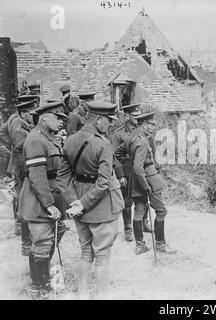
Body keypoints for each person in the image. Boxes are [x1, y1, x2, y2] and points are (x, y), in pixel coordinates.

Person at [57, 101, 124, 300]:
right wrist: (84, 203)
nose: (111, 125)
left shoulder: (70, 140)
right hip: (102, 206)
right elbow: (104, 182)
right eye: (109, 121)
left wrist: (75, 202)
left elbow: (62, 176)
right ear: (98, 119)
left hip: (79, 201)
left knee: (86, 251)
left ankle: (82, 295)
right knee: (102, 255)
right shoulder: (102, 143)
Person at [18, 101, 69, 299]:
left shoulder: (49, 138)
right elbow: (37, 176)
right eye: (58, 117)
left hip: (50, 195)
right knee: (42, 241)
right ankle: (40, 286)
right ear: (45, 117)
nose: (61, 122)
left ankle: (40, 278)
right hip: (38, 199)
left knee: (54, 234)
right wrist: (49, 205)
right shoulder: (35, 139)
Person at [114, 109, 176, 255]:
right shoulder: (142, 141)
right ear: (144, 124)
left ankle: (140, 245)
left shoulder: (132, 137)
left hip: (135, 179)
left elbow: (116, 153)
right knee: (161, 211)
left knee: (139, 211)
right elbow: (138, 166)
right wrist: (145, 185)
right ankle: (160, 244)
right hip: (146, 178)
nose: (154, 128)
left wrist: (130, 162)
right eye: (152, 124)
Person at [10, 100, 38, 256]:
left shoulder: (26, 128)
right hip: (23, 173)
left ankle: (27, 241)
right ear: (23, 114)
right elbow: (19, 155)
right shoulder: (19, 130)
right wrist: (27, 173)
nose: (32, 116)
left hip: (24, 172)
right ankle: (26, 244)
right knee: (25, 206)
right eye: (30, 113)